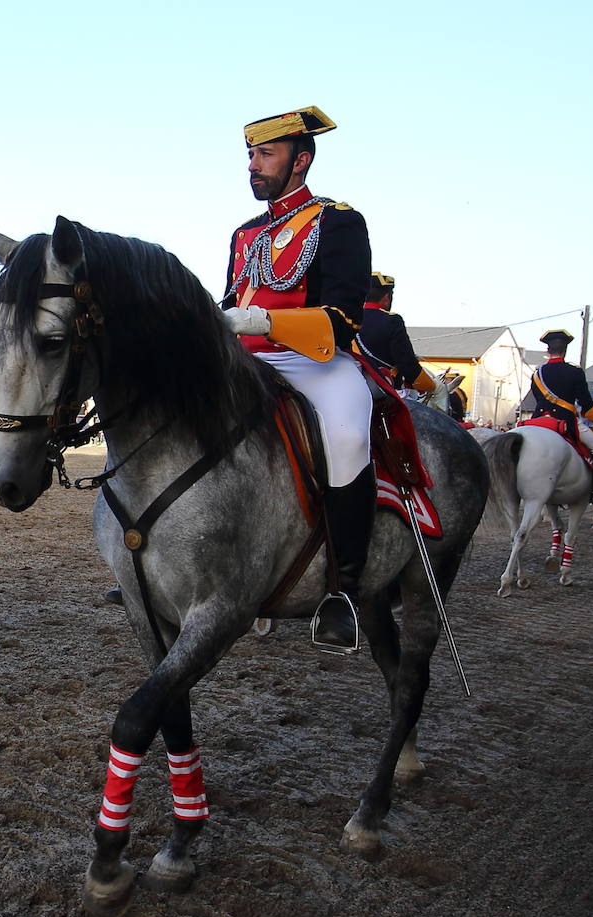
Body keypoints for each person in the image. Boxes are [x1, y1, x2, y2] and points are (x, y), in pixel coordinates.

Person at [220, 106, 372, 653]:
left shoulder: (338, 222)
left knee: (349, 438)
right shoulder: (244, 233)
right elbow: (230, 302)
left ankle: (344, 592)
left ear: (300, 160)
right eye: (251, 156)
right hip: (242, 360)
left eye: (266, 155)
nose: (254, 167)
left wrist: (266, 321)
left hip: (314, 361)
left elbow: (346, 318)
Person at [530, 329, 593, 503]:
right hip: (565, 420)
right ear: (565, 350)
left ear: (548, 350)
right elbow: (587, 406)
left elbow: (537, 398)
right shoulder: (575, 372)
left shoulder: (537, 374)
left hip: (538, 420)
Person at [355, 272, 439, 398]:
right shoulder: (392, 320)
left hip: (351, 384)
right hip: (384, 389)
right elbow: (407, 363)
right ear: (386, 297)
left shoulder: (350, 317)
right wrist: (431, 386)